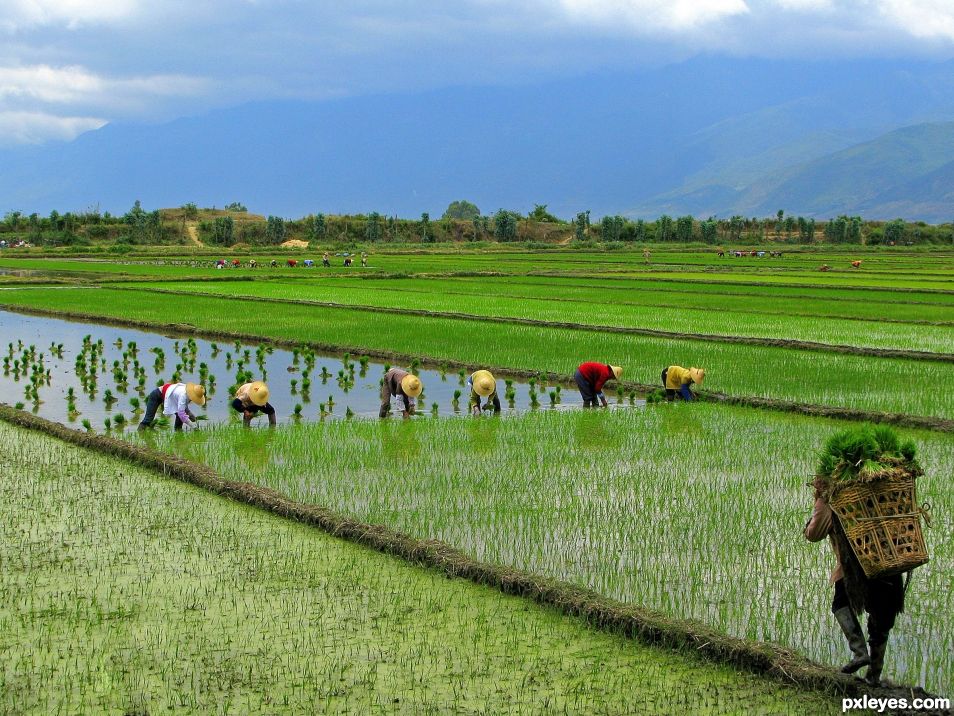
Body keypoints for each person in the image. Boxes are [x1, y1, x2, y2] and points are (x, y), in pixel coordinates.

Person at [804, 481, 904, 686]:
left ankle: (859, 653)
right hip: (888, 563)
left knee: (840, 604)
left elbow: (814, 534)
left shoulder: (832, 497)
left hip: (854, 569)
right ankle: (874, 675)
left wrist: (813, 514)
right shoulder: (883, 489)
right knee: (881, 618)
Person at [138, 381, 206, 431]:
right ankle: (139, 434)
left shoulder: (187, 393)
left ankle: (178, 431)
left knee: (179, 419)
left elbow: (183, 407)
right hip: (156, 395)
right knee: (148, 420)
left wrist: (191, 415)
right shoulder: (183, 395)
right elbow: (181, 413)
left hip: (168, 396)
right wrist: (193, 426)